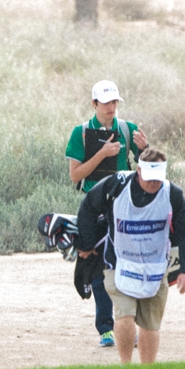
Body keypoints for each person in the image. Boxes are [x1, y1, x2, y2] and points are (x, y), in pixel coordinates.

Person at [74, 147, 185, 365]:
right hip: (118, 263)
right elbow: (88, 208)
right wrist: (86, 243)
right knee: (125, 314)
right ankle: (126, 368)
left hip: (155, 267)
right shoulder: (116, 185)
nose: (153, 184)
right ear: (138, 171)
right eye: (149, 178)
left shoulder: (173, 194)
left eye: (157, 179)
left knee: (150, 323)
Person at [64, 79, 144, 348]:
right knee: (97, 264)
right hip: (94, 207)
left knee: (126, 264)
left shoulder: (127, 129)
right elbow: (76, 174)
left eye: (115, 102)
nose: (112, 107)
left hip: (124, 206)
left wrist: (143, 150)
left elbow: (148, 170)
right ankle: (106, 328)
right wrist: (102, 154)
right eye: (106, 102)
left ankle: (128, 327)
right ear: (94, 104)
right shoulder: (82, 133)